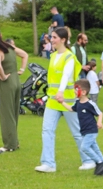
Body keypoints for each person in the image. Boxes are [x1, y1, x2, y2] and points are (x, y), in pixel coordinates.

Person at [35, 26, 90, 173]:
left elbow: (66, 75)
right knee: (47, 130)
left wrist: (60, 92)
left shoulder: (69, 57)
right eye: (51, 37)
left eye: (54, 37)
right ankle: (48, 163)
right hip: (53, 101)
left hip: (67, 100)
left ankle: (89, 160)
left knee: (77, 132)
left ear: (63, 40)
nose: (51, 40)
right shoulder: (53, 56)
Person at [0, 26, 27, 152]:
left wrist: (3, 77)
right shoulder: (10, 47)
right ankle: (15, 141)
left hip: (7, 82)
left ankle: (9, 144)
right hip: (16, 80)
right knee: (14, 112)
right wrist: (21, 70)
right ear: (1, 34)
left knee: (6, 113)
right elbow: (25, 55)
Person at [73, 79, 103, 175]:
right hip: (84, 131)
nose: (74, 91)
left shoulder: (90, 104)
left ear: (84, 92)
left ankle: (99, 163)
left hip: (91, 130)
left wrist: (99, 122)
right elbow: (71, 109)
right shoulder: (77, 103)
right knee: (95, 148)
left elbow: (100, 113)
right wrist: (61, 102)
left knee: (84, 147)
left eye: (76, 89)